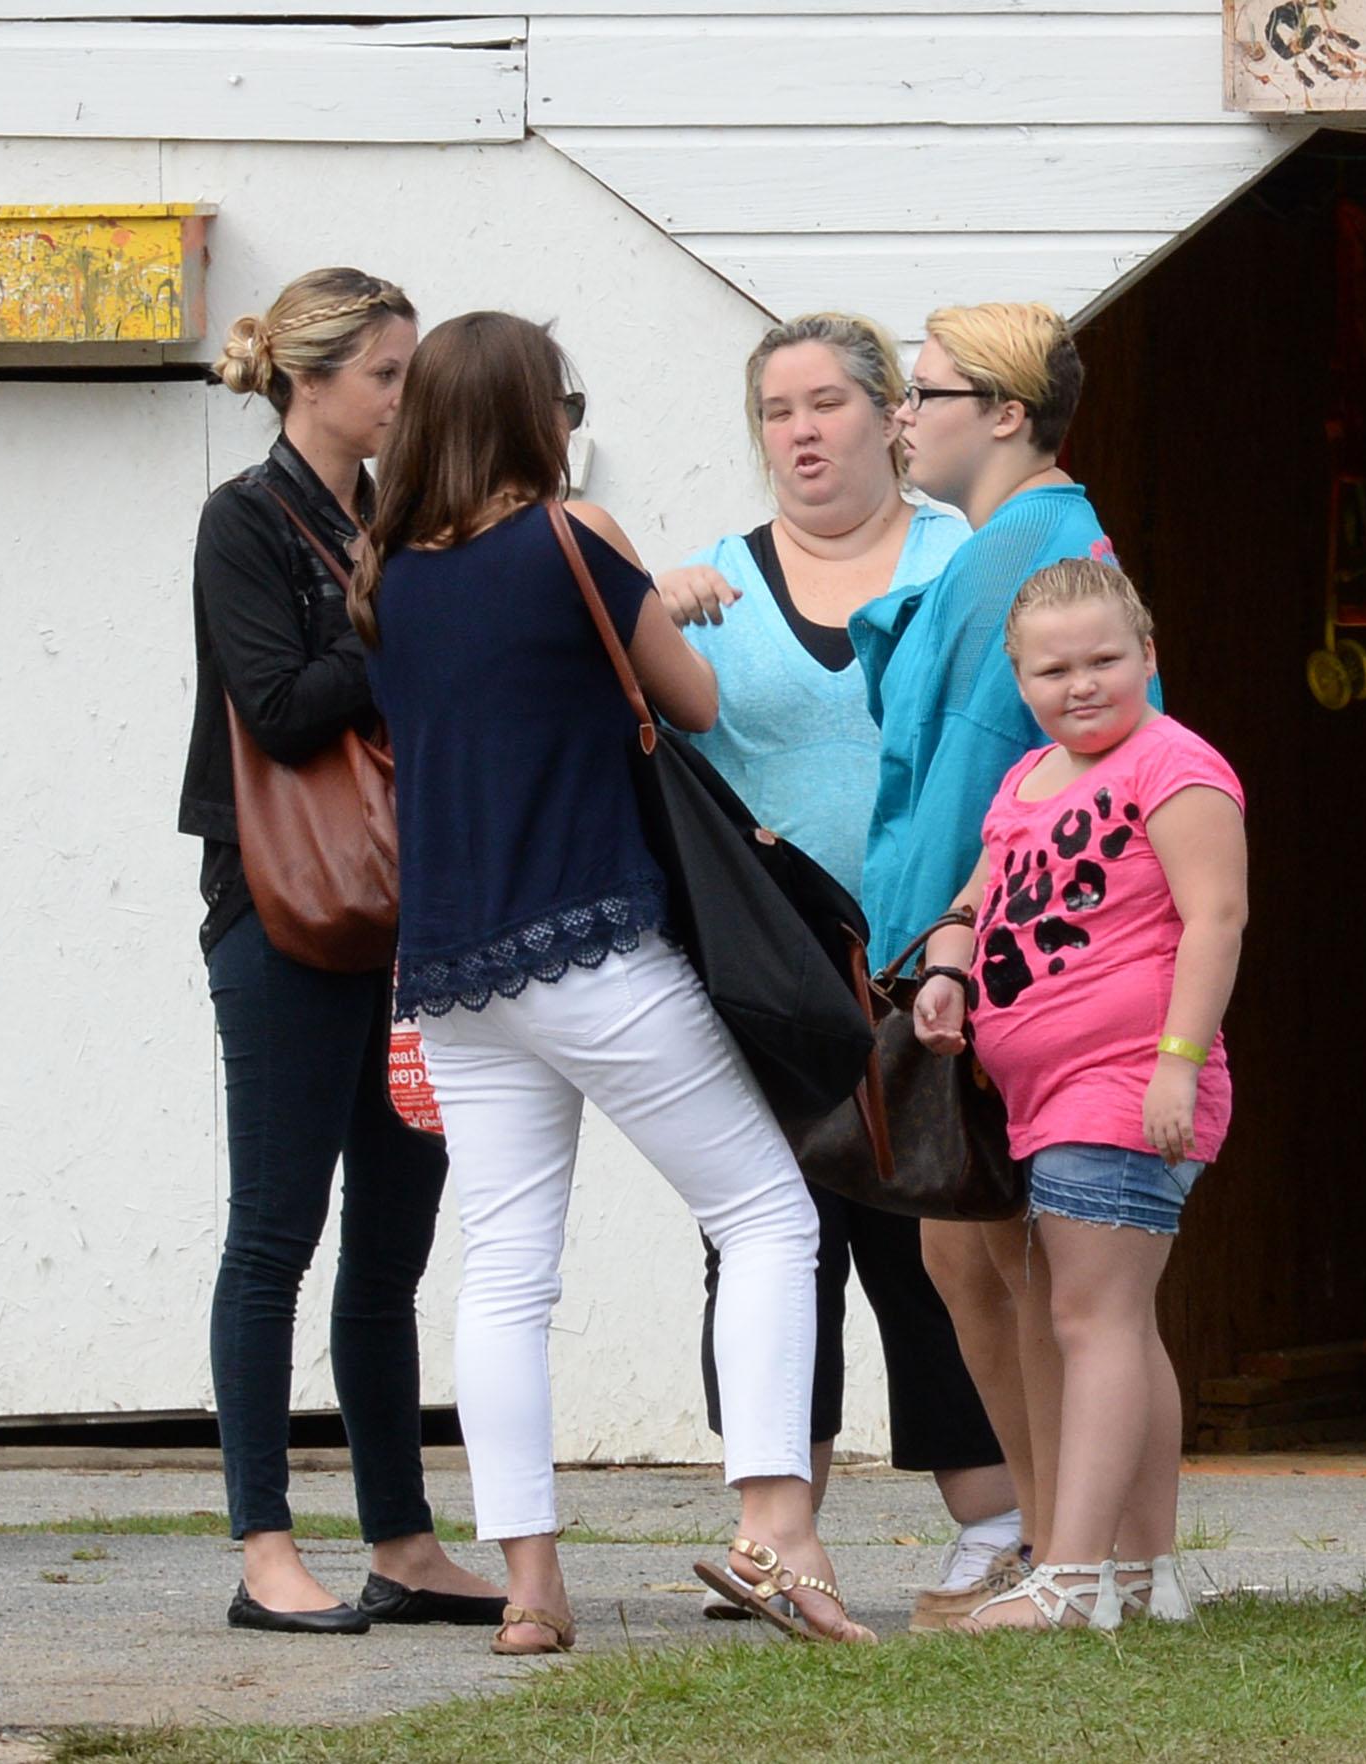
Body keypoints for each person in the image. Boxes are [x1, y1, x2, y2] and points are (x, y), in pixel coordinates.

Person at [353, 310, 872, 1652]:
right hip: (587, 941)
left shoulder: (388, 570)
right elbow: (689, 702)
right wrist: (670, 597)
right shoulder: (574, 540)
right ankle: (779, 1532)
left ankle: (530, 1587)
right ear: (540, 415)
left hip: (455, 967)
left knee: (505, 1271)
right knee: (766, 1211)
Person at [654, 312, 1021, 1623]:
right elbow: (650, 749)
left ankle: (996, 1523)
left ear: (889, 417)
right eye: (776, 410)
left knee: (927, 1233)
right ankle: (777, 1536)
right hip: (766, 966)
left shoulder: (960, 559)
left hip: (929, 956)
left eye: (826, 404)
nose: (801, 432)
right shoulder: (708, 583)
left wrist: (966, 935)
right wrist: (656, 623)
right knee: (764, 1239)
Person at [179, 268, 504, 1634]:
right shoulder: (246, 523)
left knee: (393, 1243)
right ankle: (264, 1550)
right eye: (387, 375)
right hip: (283, 911)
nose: (405, 397)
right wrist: (410, 611)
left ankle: (404, 1541)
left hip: (410, 916)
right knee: (274, 1234)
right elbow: (282, 704)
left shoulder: (400, 522)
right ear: (311, 382)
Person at [851, 301, 1156, 1625]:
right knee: (990, 1263)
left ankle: (1072, 1556)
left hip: (1002, 962)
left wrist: (941, 958)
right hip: (996, 953)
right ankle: (1089, 1557)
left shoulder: (1025, 557)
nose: (896, 416)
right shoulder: (1016, 546)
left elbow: (988, 780)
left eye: (922, 393)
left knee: (1020, 1265)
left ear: (1006, 412)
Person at [914, 560, 1246, 1630]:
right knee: (1116, 1325)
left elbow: (1215, 920)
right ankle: (1146, 1577)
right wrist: (949, 963)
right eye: (1053, 669)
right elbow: (981, 891)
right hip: (1032, 1095)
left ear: (1149, 655)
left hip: (1124, 1085)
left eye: (1105, 660)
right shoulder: (1028, 781)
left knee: (1089, 1319)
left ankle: (1070, 1580)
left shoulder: (1176, 767)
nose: (1082, 684)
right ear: (1018, 680)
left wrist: (1178, 1062)